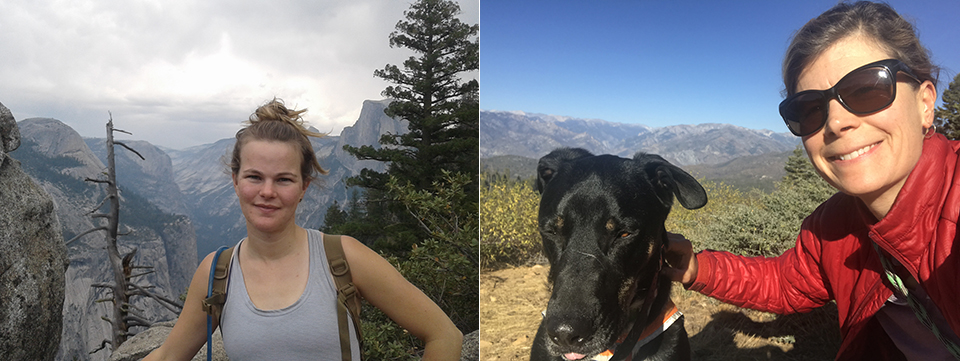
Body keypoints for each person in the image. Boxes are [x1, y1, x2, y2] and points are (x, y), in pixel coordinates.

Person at [662, 2, 960, 360]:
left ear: (925, 102)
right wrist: (695, 267)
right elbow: (785, 283)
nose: (835, 122)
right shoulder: (833, 227)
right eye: (810, 109)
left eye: (866, 89)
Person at [144, 99, 463, 360]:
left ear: (303, 186)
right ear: (236, 180)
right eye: (255, 177)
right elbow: (167, 356)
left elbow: (444, 335)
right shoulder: (216, 273)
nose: (267, 192)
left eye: (283, 179)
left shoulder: (343, 258)